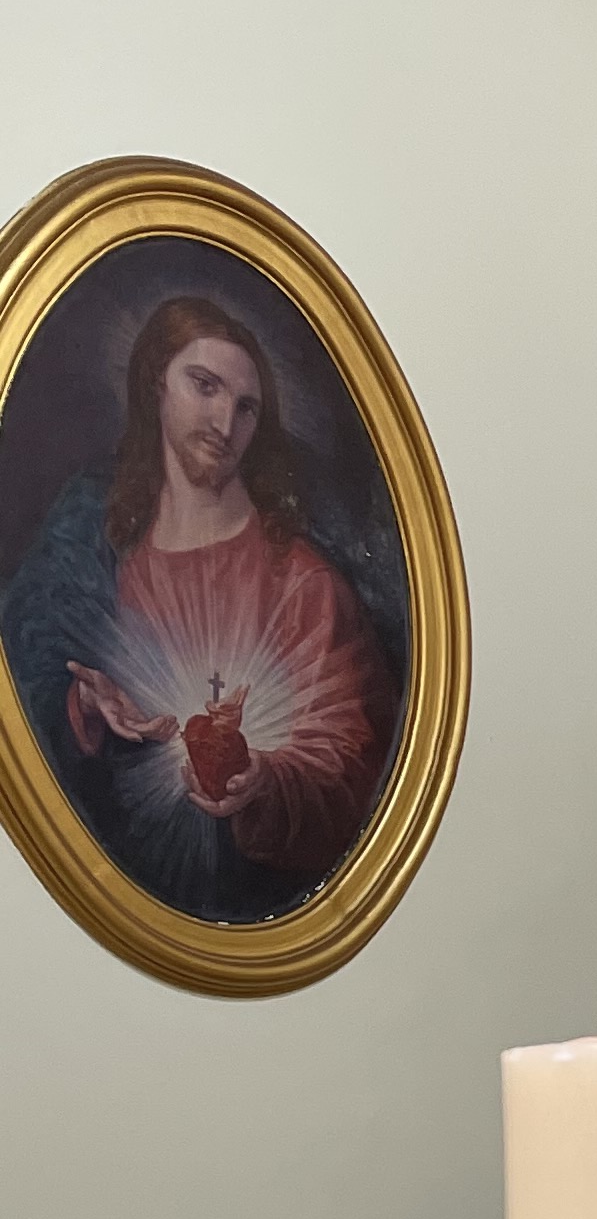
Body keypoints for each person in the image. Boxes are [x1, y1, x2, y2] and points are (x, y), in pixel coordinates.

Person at [0, 292, 395, 920]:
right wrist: (85, 705)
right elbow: (21, 675)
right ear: (156, 384)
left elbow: (355, 761)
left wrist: (265, 781)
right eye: (204, 386)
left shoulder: (301, 582)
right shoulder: (92, 545)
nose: (224, 423)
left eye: (245, 407)